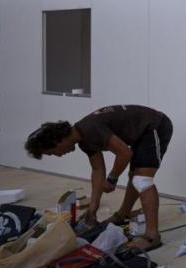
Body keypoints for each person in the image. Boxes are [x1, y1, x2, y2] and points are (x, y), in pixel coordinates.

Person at [25, 105, 173, 251]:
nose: (58, 155)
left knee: (142, 180)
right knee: (135, 175)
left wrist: (112, 178)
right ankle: (122, 215)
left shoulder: (90, 129)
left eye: (52, 152)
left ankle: (152, 236)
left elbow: (124, 153)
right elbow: (97, 170)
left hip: (155, 125)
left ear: (58, 140)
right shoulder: (83, 140)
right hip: (142, 130)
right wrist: (93, 206)